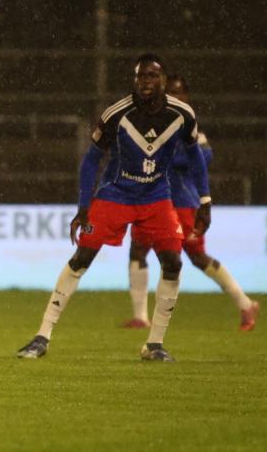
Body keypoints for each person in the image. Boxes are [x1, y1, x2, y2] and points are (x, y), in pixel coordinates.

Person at [17, 53, 212, 362]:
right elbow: (91, 158)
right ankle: (42, 337)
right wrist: (84, 205)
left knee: (173, 263)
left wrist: (205, 200)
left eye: (152, 76)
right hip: (116, 195)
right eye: (141, 77)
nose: (146, 82)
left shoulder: (182, 114)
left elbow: (196, 156)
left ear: (162, 80)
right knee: (82, 258)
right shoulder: (116, 113)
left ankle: (154, 344)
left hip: (156, 197)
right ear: (134, 81)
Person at [122, 75, 258, 331]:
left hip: (183, 204)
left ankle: (245, 304)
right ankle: (140, 317)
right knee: (137, 251)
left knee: (196, 257)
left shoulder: (190, 129)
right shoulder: (157, 127)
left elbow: (204, 157)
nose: (174, 98)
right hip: (153, 203)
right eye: (169, 93)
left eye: (178, 93)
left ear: (186, 97)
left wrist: (171, 157)